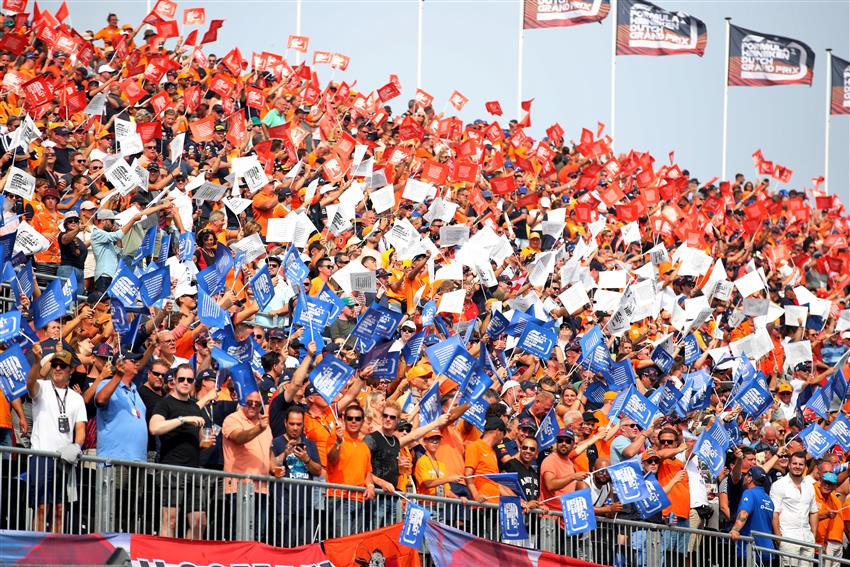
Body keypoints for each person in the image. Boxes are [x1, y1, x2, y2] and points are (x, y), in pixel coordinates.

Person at [25, 344, 87, 532]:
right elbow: (29, 384)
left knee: (61, 509)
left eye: (62, 365)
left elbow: (80, 429)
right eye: (54, 365)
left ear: (71, 369)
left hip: (65, 459)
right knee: (42, 507)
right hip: (42, 456)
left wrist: (76, 446)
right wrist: (37, 362)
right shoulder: (42, 387)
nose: (58, 368)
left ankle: (56, 551)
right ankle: (38, 550)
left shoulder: (76, 399)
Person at [149, 363, 207, 539]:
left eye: (189, 380)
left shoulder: (194, 406)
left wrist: (206, 440)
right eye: (181, 379)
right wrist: (183, 419)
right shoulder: (164, 403)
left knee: (199, 522)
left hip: (194, 470)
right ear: (173, 381)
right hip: (172, 470)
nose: (185, 383)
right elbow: (154, 428)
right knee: (170, 520)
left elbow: (198, 436)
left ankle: (190, 560)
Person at [221, 390, 272, 540]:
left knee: (257, 536)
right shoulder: (233, 419)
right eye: (249, 403)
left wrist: (277, 465)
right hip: (239, 487)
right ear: (243, 401)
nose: (253, 406)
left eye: (257, 404)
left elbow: (269, 453)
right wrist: (258, 429)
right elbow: (238, 438)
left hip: (262, 488)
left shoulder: (264, 424)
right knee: (239, 535)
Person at [270, 406, 322, 547]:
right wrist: (284, 454)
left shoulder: (310, 444)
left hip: (306, 508)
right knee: (284, 550)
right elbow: (271, 468)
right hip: (283, 507)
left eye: (299, 424)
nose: (295, 428)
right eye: (292, 424)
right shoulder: (276, 442)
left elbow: (318, 470)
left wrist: (307, 459)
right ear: (285, 423)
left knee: (304, 550)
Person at [327, 403, 376, 536]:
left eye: (358, 419)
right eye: (350, 418)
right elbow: (331, 459)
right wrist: (338, 441)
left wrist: (370, 485)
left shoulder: (364, 447)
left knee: (355, 543)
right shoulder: (335, 438)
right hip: (339, 498)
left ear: (362, 421)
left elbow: (367, 472)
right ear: (344, 419)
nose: (354, 421)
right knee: (343, 541)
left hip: (359, 500)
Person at [770, 452, 819, 566]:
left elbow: (814, 512)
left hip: (807, 538)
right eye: (794, 463)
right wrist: (779, 539)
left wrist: (813, 535)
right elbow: (775, 513)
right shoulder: (779, 485)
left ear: (805, 467)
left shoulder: (809, 485)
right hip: (788, 539)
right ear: (789, 465)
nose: (797, 466)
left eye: (801, 464)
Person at [730, 467, 776, 564]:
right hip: (768, 551)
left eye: (746, 475)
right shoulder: (768, 498)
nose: (744, 477)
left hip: (751, 551)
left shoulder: (749, 493)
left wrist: (735, 529)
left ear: (750, 478)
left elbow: (744, 513)